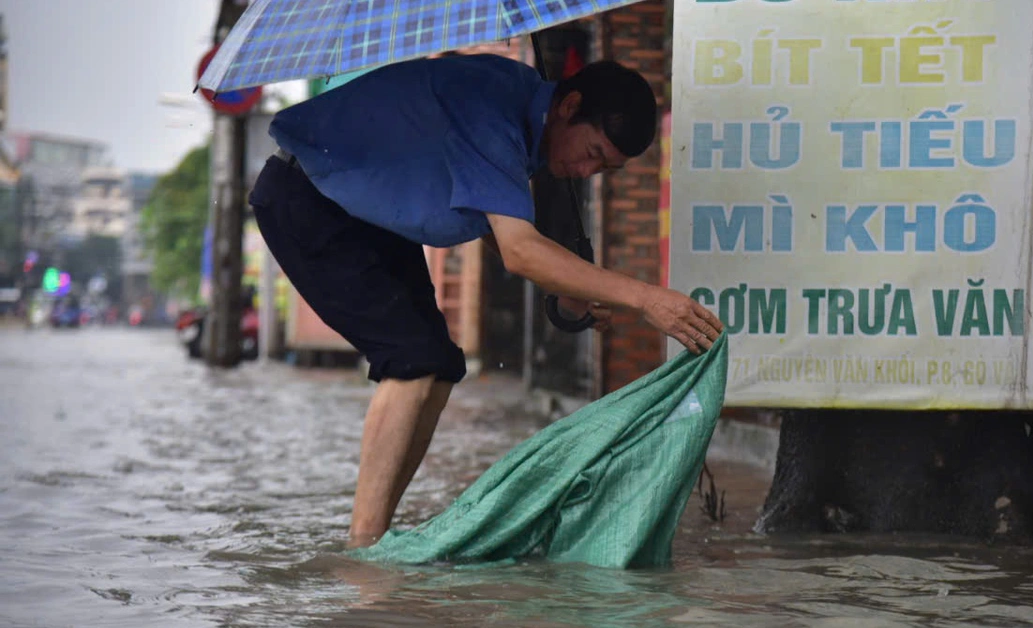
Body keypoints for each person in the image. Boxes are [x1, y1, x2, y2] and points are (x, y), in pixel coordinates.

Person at [248, 52, 724, 549]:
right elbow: (520, 250)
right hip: (308, 200)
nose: (586, 171)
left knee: (440, 364)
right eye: (592, 152)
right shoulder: (493, 102)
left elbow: (496, 224)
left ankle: (377, 532)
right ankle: (362, 550)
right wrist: (646, 299)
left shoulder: (517, 111)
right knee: (412, 361)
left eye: (604, 168)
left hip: (364, 215)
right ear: (570, 105)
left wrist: (568, 285)